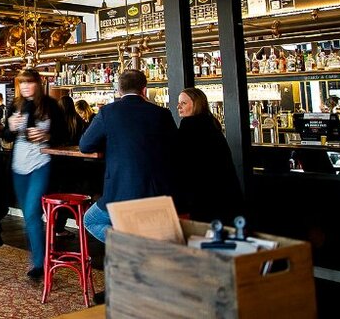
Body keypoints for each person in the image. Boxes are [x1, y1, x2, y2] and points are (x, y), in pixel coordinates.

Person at [79, 69, 178, 243]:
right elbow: (175, 148)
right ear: (144, 90)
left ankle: (130, 244)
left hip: (120, 192)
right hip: (157, 193)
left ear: (119, 90)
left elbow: (85, 145)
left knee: (91, 220)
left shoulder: (107, 112)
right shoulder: (162, 114)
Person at [4, 68, 71, 279]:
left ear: (37, 84)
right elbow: (5, 136)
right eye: (21, 83)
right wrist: (10, 127)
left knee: (32, 212)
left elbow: (65, 134)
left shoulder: (51, 105)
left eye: (29, 82)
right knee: (28, 214)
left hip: (41, 163)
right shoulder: (15, 105)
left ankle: (40, 263)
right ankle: (41, 256)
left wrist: (46, 134)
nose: (24, 86)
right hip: (18, 165)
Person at [176, 88, 244, 224]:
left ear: (196, 104)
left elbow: (183, 162)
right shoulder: (211, 123)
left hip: (203, 194)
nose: (178, 106)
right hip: (225, 193)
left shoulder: (189, 126)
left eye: (183, 103)